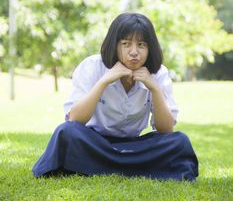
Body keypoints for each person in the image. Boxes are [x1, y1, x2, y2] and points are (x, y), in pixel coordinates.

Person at [32, 12, 198, 181]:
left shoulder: (158, 74)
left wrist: (154, 88)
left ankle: (91, 167)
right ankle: (135, 170)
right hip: (95, 144)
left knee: (179, 141)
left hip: (137, 148)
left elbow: (166, 130)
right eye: (126, 44)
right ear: (114, 45)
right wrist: (104, 81)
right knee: (66, 131)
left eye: (141, 45)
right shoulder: (92, 66)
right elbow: (75, 119)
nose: (134, 52)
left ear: (150, 48)